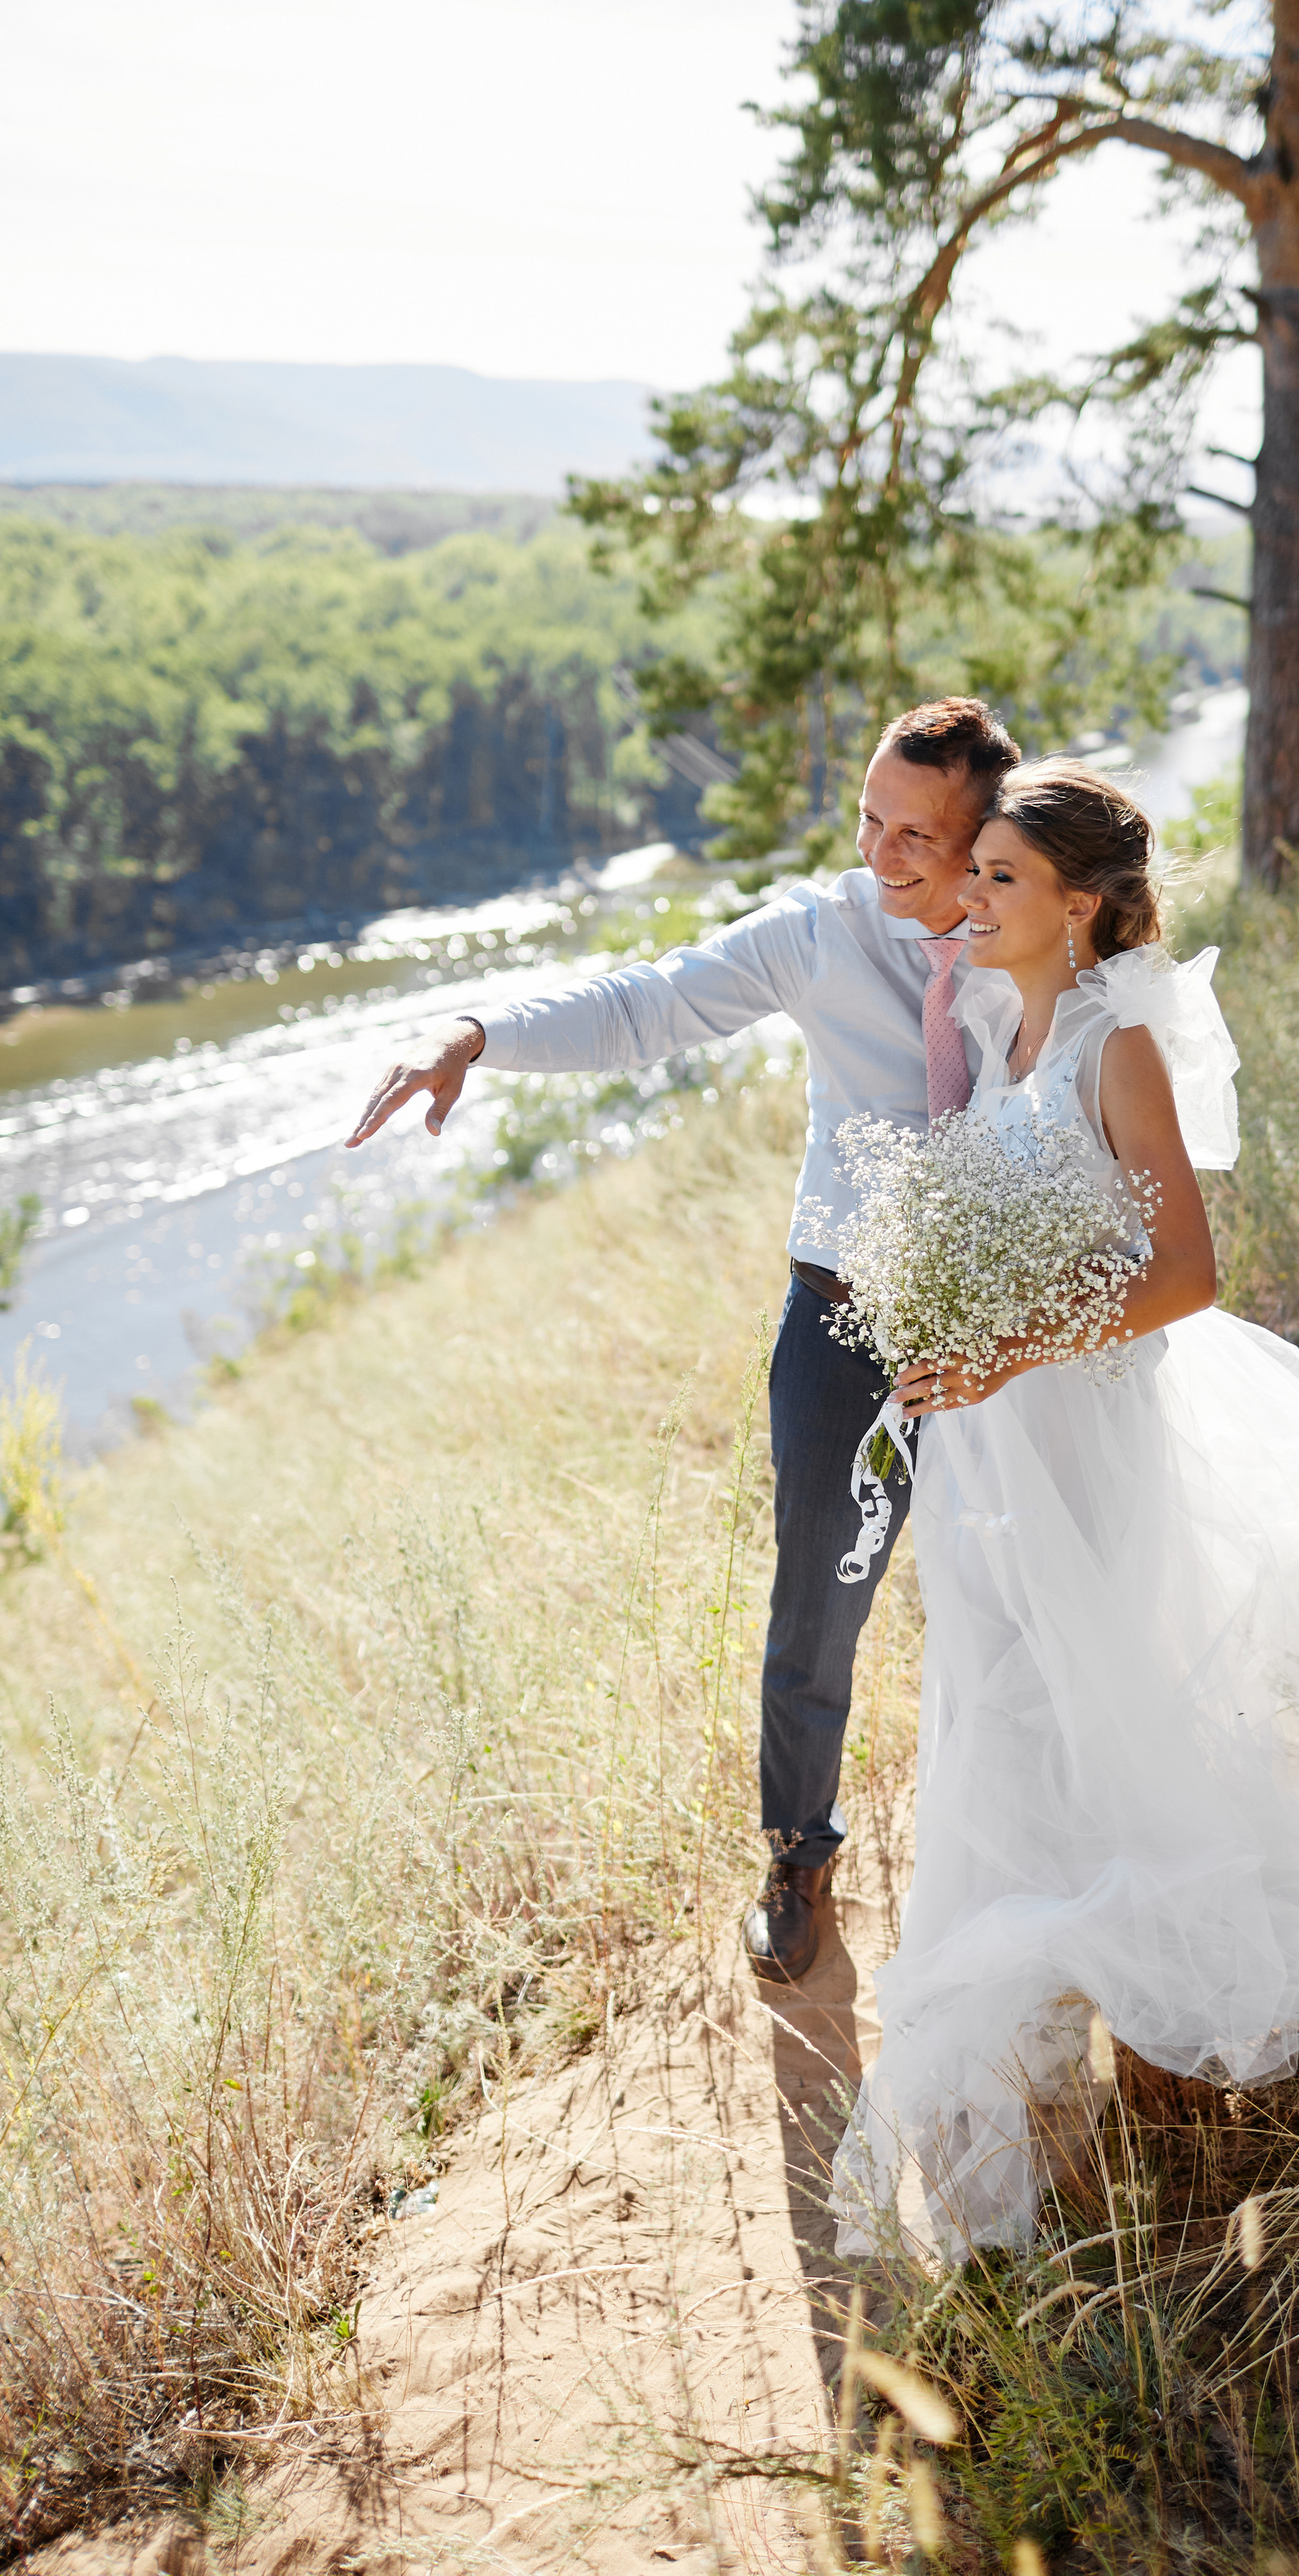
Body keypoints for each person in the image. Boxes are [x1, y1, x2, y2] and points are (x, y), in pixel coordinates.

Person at [830, 758, 1299, 2263]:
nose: (969, 898)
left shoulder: (1112, 1046)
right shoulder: (988, 1018)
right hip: (991, 1455)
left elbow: (1185, 1277)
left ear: (1082, 909)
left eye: (1002, 881)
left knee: (1111, 1727)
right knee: (1009, 1719)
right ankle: (1081, 2077)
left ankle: (1181, 2072)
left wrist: (1011, 1344)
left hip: (1086, 1438)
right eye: (975, 879)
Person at [344, 696, 1023, 1985]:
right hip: (846, 1315)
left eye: (914, 837)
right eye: (867, 819)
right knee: (819, 1601)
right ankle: (796, 1855)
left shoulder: (1031, 927)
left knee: (1014, 1589)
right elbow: (647, 1005)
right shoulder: (820, 933)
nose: (880, 855)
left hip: (1008, 1333)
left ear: (983, 833)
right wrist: (476, 1035)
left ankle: (1031, 1853)